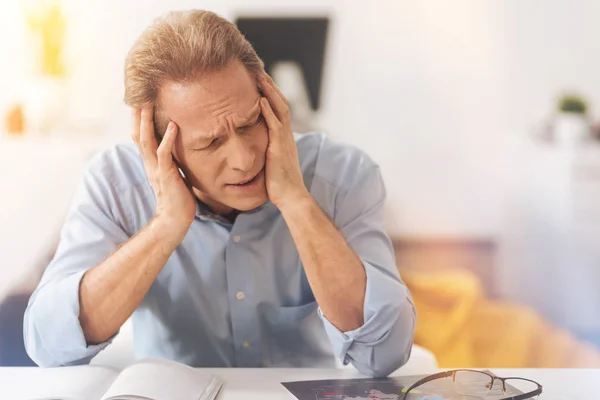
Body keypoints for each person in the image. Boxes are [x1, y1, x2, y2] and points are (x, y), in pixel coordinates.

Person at [23, 9, 416, 377]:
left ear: (272, 104)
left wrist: (296, 200)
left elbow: (382, 353)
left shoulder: (344, 175)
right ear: (159, 145)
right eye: (210, 144)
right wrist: (166, 225)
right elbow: (49, 344)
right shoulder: (115, 182)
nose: (244, 160)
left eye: (249, 124)